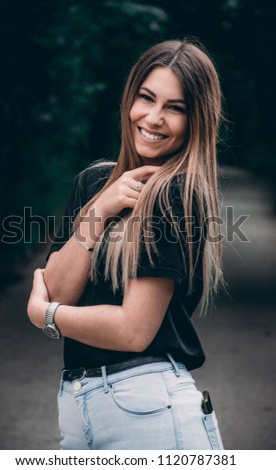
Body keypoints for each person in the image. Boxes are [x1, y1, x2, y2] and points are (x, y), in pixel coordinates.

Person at [27, 38, 225, 450]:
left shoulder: (174, 194)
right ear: (129, 99)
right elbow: (63, 289)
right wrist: (100, 208)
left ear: (196, 120)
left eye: (176, 107)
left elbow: (133, 331)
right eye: (146, 98)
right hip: (78, 402)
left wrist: (46, 315)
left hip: (148, 408)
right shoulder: (93, 183)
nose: (153, 118)